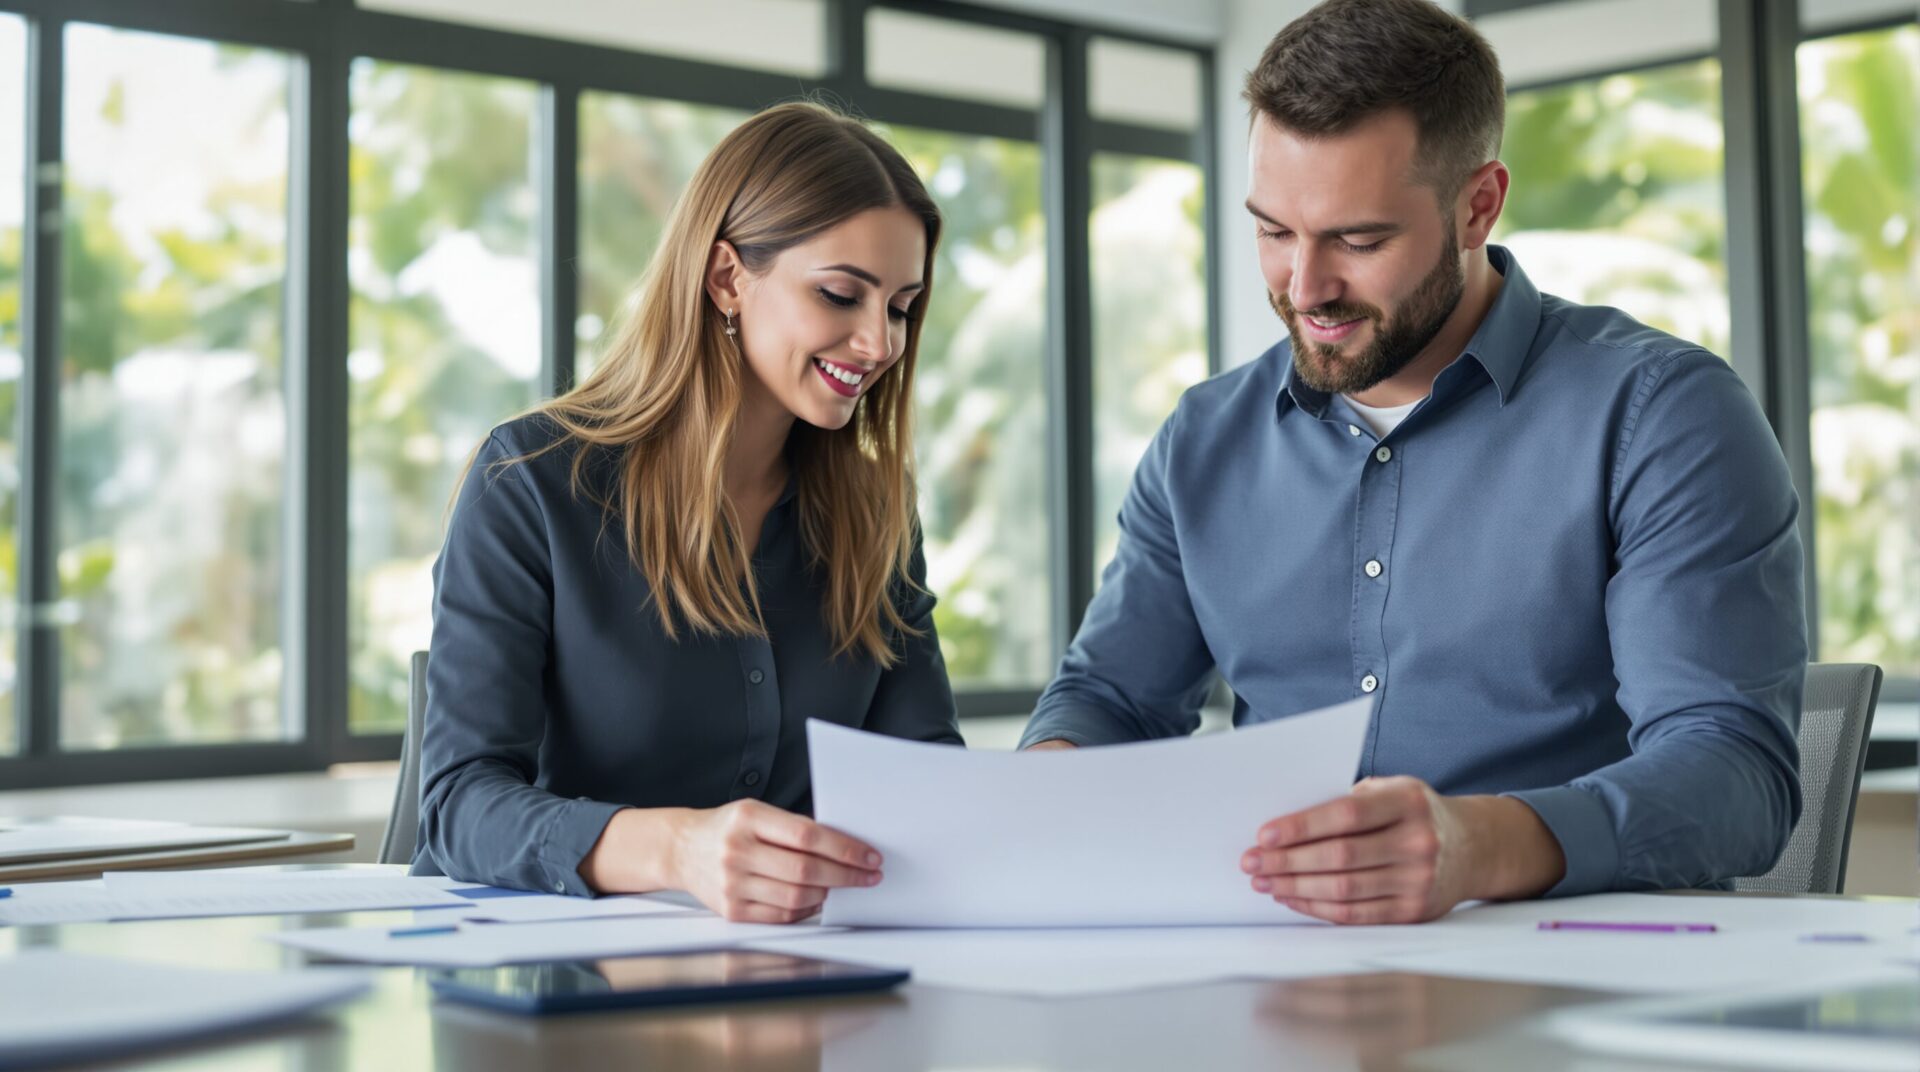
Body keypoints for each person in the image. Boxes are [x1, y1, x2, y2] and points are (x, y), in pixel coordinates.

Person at [1019, 0, 1806, 924]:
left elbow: (1734, 772)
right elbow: (1111, 697)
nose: (1303, 288)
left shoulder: (1660, 415)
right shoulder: (1203, 439)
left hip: (1577, 987)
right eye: (1274, 231)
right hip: (1271, 974)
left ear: (1478, 206)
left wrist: (1478, 847)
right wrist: (1043, 786)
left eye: (1358, 240)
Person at [412, 102, 962, 923]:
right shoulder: (532, 484)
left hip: (808, 981)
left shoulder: (877, 512)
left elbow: (926, 782)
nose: (880, 343)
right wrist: (677, 850)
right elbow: (459, 805)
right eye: (843, 295)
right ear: (727, 278)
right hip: (570, 1003)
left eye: (901, 306)